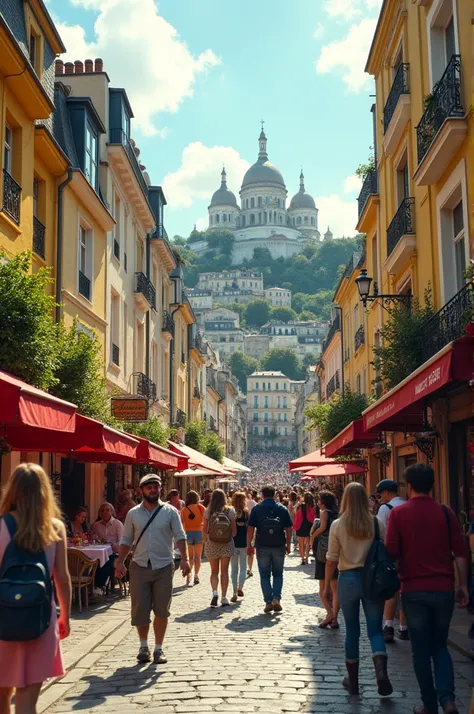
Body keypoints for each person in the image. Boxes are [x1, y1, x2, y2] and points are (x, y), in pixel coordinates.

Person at [386, 464, 469, 714]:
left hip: (413, 590)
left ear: (409, 486)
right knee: (440, 646)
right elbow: (462, 552)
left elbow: (391, 551)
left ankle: (430, 704)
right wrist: (463, 584)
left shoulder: (398, 515)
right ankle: (448, 699)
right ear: (432, 485)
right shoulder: (446, 513)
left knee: (420, 650)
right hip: (443, 589)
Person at [0, 463, 71, 714]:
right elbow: (62, 577)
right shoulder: (55, 528)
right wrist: (65, 616)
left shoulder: (1, 525)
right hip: (40, 619)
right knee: (28, 700)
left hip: (3, 620)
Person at [325, 481, 392, 698]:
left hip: (348, 579)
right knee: (375, 629)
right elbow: (385, 550)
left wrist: (327, 585)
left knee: (352, 630)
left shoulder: (338, 524)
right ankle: (381, 671)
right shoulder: (376, 522)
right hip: (373, 579)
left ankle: (352, 682)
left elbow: (331, 559)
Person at [115, 473, 190, 664]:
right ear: (141, 490)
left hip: (164, 565)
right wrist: (120, 562)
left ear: (160, 489)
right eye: (149, 487)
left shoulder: (170, 512)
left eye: (156, 486)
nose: (153, 490)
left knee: (162, 610)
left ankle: (158, 648)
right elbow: (126, 540)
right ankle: (143, 646)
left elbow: (180, 537)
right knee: (140, 610)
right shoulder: (133, 514)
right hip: (139, 566)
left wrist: (185, 559)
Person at [247, 484, 293, 614]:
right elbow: (289, 528)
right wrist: (288, 545)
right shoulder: (282, 509)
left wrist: (249, 544)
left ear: (262, 495)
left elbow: (250, 528)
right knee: (278, 574)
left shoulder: (257, 509)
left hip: (262, 546)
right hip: (278, 545)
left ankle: (268, 601)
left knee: (264, 574)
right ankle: (276, 598)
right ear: (275, 495)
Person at [375, 479, 408, 642]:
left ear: (387, 492)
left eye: (381, 493)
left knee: (391, 590)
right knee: (405, 590)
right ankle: (404, 627)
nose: (380, 497)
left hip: (391, 554)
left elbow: (381, 532)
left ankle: (388, 625)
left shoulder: (385, 508)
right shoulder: (407, 504)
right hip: (409, 554)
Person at [202, 489, 237, 607]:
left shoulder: (208, 511)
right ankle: (224, 597)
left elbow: (204, 529)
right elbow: (234, 532)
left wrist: (205, 540)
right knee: (224, 571)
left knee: (214, 571)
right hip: (226, 544)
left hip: (212, 543)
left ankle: (214, 593)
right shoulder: (230, 510)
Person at [310, 490, 339, 629]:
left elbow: (322, 528)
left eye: (319, 500)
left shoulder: (324, 513)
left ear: (323, 502)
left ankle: (329, 614)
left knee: (323, 587)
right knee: (335, 588)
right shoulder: (337, 512)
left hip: (323, 552)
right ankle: (335, 619)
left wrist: (312, 537)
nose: (317, 502)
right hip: (336, 551)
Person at [91, 502, 124, 595]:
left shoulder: (118, 524)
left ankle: (98, 586)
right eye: (102, 510)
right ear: (99, 513)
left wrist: (112, 545)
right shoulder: (96, 525)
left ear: (112, 512)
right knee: (90, 561)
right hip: (100, 551)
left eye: (107, 510)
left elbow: (122, 541)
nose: (105, 512)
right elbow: (93, 538)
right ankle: (89, 586)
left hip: (115, 552)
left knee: (108, 562)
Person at [180, 491, 205, 586]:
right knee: (198, 557)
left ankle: (188, 575)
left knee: (190, 557)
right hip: (199, 532)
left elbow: (182, 523)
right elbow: (206, 520)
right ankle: (196, 575)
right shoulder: (201, 507)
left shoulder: (184, 510)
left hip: (188, 533)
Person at [230, 491, 249, 602]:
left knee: (233, 568)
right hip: (243, 543)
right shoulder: (246, 512)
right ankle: (240, 587)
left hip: (233, 542)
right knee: (243, 567)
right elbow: (250, 528)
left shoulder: (231, 512)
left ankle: (233, 592)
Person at [294, 492, 316, 565]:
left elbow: (296, 515)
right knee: (308, 543)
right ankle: (306, 557)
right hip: (309, 525)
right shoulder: (313, 506)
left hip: (301, 525)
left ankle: (302, 558)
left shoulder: (301, 506)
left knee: (301, 543)